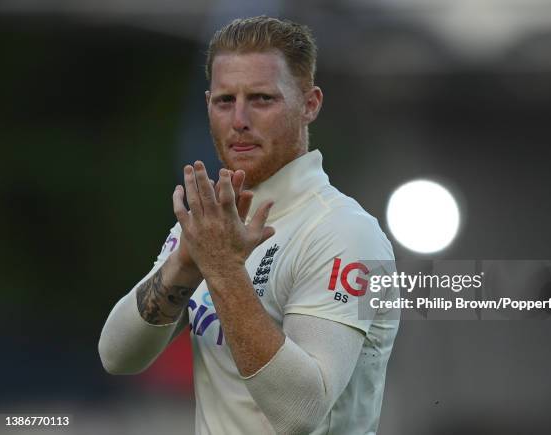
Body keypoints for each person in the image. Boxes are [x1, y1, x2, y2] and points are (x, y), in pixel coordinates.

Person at [99, 16, 399, 435]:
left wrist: (222, 269)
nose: (239, 119)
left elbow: (301, 412)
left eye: (261, 99)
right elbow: (118, 356)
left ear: (310, 104)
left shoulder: (343, 232)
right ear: (207, 104)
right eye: (225, 101)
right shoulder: (213, 225)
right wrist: (186, 262)